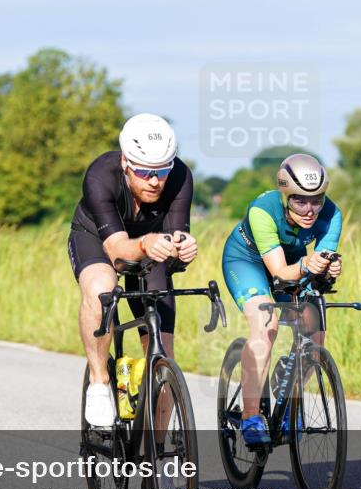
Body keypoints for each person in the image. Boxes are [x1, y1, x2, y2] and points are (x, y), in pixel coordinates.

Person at [69, 113, 198, 427]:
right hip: (98, 239)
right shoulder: (100, 175)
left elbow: (176, 235)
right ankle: (99, 383)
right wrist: (147, 244)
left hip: (150, 245)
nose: (155, 181)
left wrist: (182, 249)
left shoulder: (180, 176)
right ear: (126, 162)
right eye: (143, 172)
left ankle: (158, 455)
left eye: (162, 170)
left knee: (163, 355)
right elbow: (116, 252)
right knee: (102, 288)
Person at [220, 153, 343, 446]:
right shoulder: (262, 211)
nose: (310, 209)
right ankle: (251, 415)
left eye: (317, 199)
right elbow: (280, 272)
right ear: (285, 195)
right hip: (247, 262)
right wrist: (308, 265)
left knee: (315, 333)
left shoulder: (332, 214)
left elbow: (320, 263)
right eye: (300, 200)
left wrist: (329, 269)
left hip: (292, 263)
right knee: (267, 326)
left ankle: (290, 398)